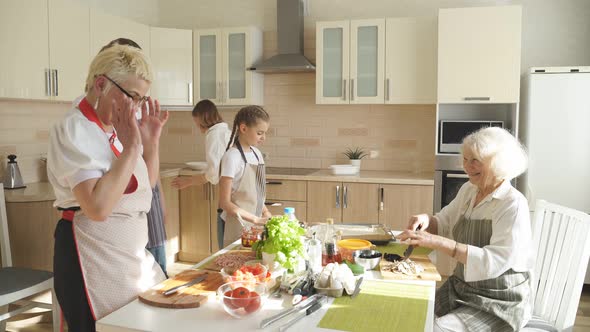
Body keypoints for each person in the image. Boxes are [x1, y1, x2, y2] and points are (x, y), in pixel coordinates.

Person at [47, 44, 169, 331]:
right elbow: (97, 208)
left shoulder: (115, 128)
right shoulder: (76, 129)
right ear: (101, 84)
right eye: (132, 97)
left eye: (141, 100)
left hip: (128, 256)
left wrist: (150, 146)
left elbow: (142, 190)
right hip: (91, 255)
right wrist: (132, 148)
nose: (135, 108)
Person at [396, 127, 533, 332]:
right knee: (412, 314)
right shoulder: (469, 190)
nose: (467, 167)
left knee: (434, 328)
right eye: (465, 159)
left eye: (476, 160)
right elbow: (444, 221)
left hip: (498, 301)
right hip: (461, 288)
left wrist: (438, 242)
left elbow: (493, 260)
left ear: (499, 163)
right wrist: (427, 220)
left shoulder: (512, 204)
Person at [171, 99, 231, 248]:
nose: (196, 125)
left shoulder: (214, 135)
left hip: (228, 195)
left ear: (202, 118)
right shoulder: (226, 132)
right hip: (233, 193)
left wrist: (188, 181)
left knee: (224, 241)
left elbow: (213, 174)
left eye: (196, 121)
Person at [218, 105, 272, 247]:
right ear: (243, 128)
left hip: (256, 223)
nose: (263, 138)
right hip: (237, 224)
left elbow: (257, 195)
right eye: (260, 133)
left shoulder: (257, 154)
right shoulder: (232, 157)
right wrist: (255, 220)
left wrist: (266, 213)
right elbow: (224, 202)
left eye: (265, 133)